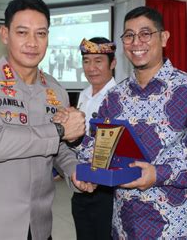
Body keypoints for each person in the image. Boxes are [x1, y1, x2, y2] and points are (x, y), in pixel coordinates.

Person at [78, 6, 187, 239]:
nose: (137, 42)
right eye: (129, 35)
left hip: (179, 226)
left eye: (145, 33)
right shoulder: (114, 96)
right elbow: (95, 145)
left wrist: (159, 174)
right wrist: (87, 171)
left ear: (164, 37)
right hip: (126, 224)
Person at [0, 0, 94, 240]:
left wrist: (75, 171)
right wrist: (61, 130)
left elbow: (58, 149)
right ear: (5, 34)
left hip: (40, 226)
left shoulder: (56, 90)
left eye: (41, 34)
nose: (32, 42)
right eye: (22, 32)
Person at [72, 37, 117, 240]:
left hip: (108, 190)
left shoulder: (119, 97)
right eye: (86, 61)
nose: (91, 68)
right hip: (81, 182)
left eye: (98, 61)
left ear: (113, 63)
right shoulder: (83, 95)